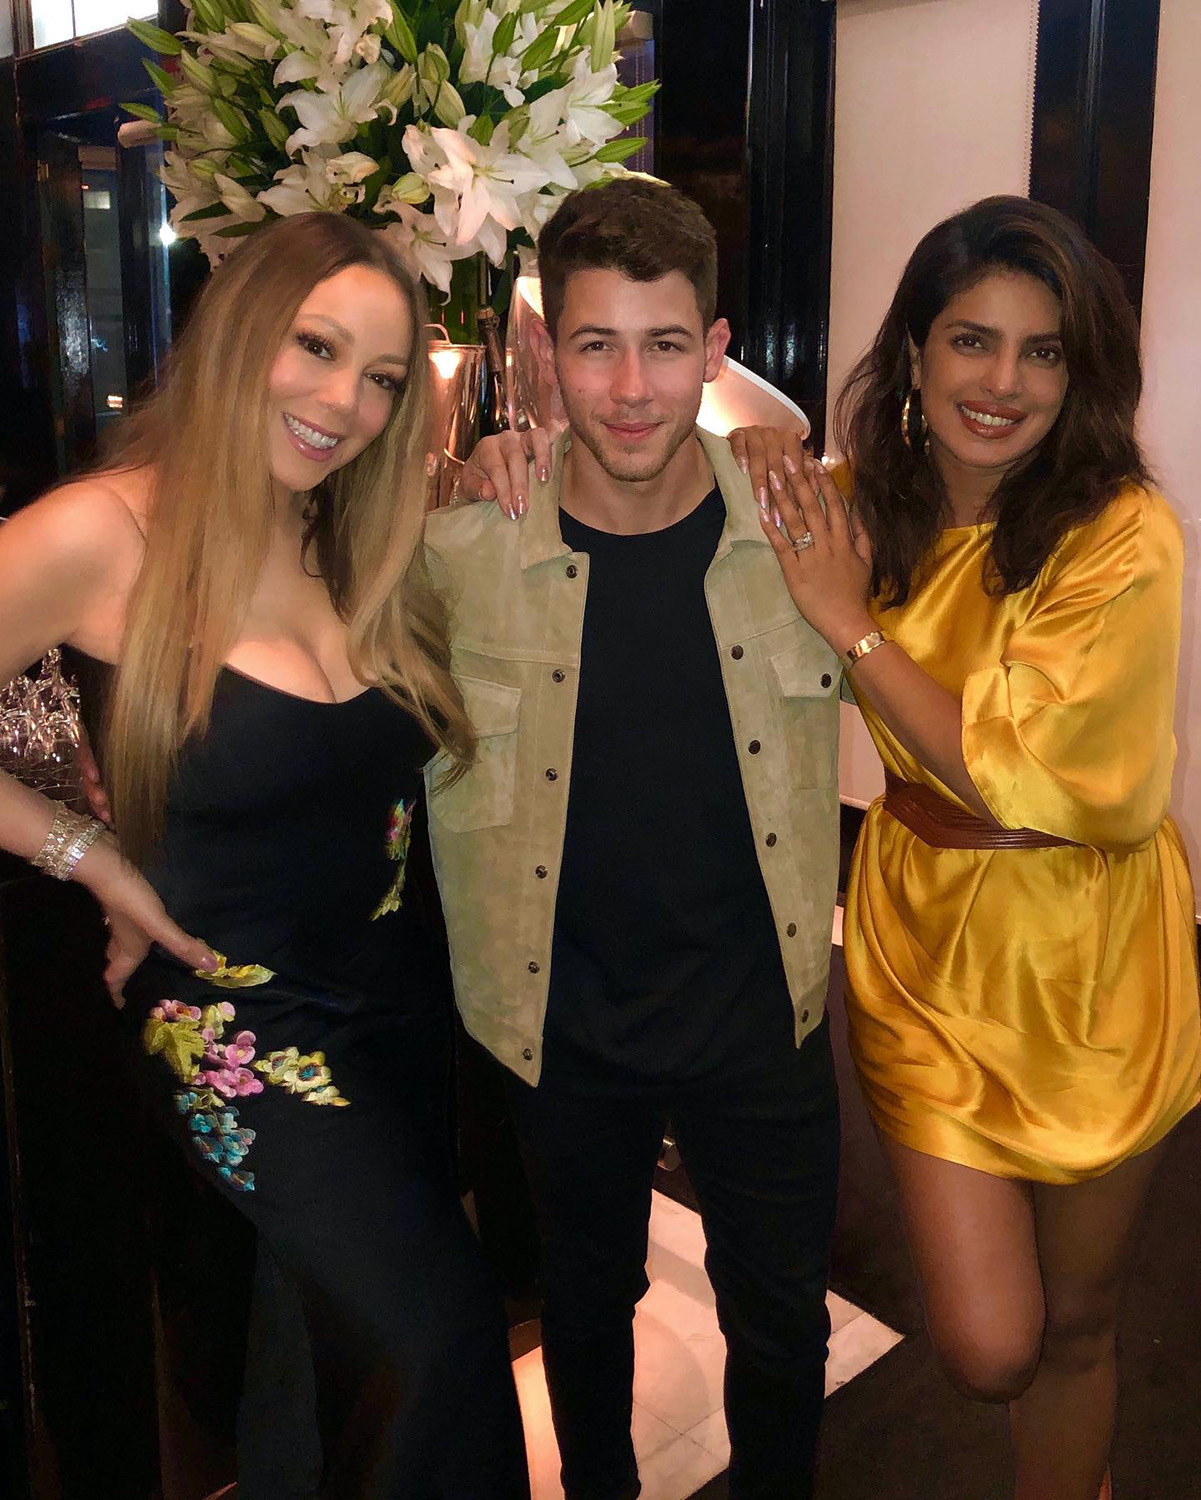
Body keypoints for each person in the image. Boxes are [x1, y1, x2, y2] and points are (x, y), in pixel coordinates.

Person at [0, 212, 529, 1498]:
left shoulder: (345, 528)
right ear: (240, 333)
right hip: (241, 1025)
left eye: (383, 377)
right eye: (316, 347)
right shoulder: (102, 532)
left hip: (396, 1003)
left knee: (322, 1349)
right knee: (442, 1341)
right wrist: (89, 856)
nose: (345, 402)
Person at [725, 196, 1199, 1500]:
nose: (1002, 383)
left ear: (1078, 371)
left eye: (1041, 351)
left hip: (1091, 948)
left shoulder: (1123, 534)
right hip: (927, 937)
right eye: (970, 340)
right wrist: (514, 447)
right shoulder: (853, 505)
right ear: (916, 352)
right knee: (993, 1344)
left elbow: (1038, 778)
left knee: (1081, 1321)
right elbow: (675, 456)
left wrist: (853, 626)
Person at [422, 176, 843, 1500]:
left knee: (781, 1326)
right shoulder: (463, 549)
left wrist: (777, 445)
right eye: (594, 344)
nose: (628, 389)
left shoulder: (803, 531)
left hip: (759, 1015)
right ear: (546, 351)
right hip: (558, 1024)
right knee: (584, 1312)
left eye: (665, 345)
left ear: (715, 350)